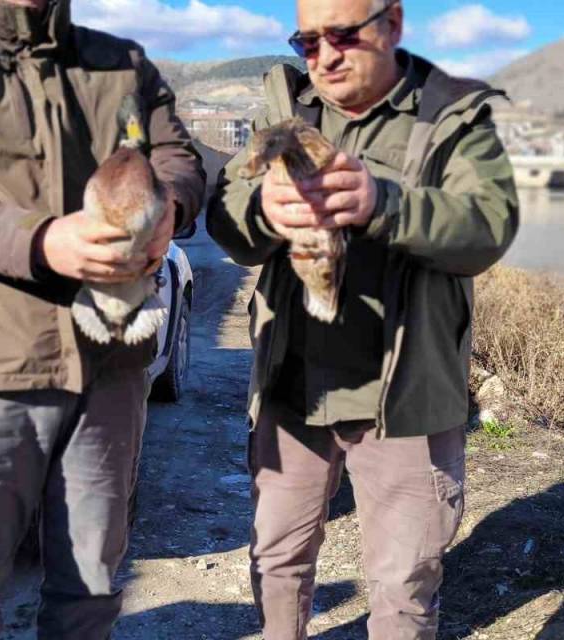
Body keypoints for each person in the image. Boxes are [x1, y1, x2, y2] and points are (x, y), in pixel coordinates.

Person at [0, 0, 204, 638]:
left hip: (108, 368)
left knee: (92, 591)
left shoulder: (122, 66)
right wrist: (43, 241)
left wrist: (170, 204)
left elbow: (177, 159)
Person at [206, 0, 518, 637]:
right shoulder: (283, 106)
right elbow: (227, 217)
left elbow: (488, 225)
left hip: (404, 398)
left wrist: (385, 204)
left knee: (403, 580)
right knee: (276, 557)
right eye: (307, 41)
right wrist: (262, 212)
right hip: (292, 387)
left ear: (393, 24)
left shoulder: (451, 113)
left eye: (343, 36)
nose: (324, 57)